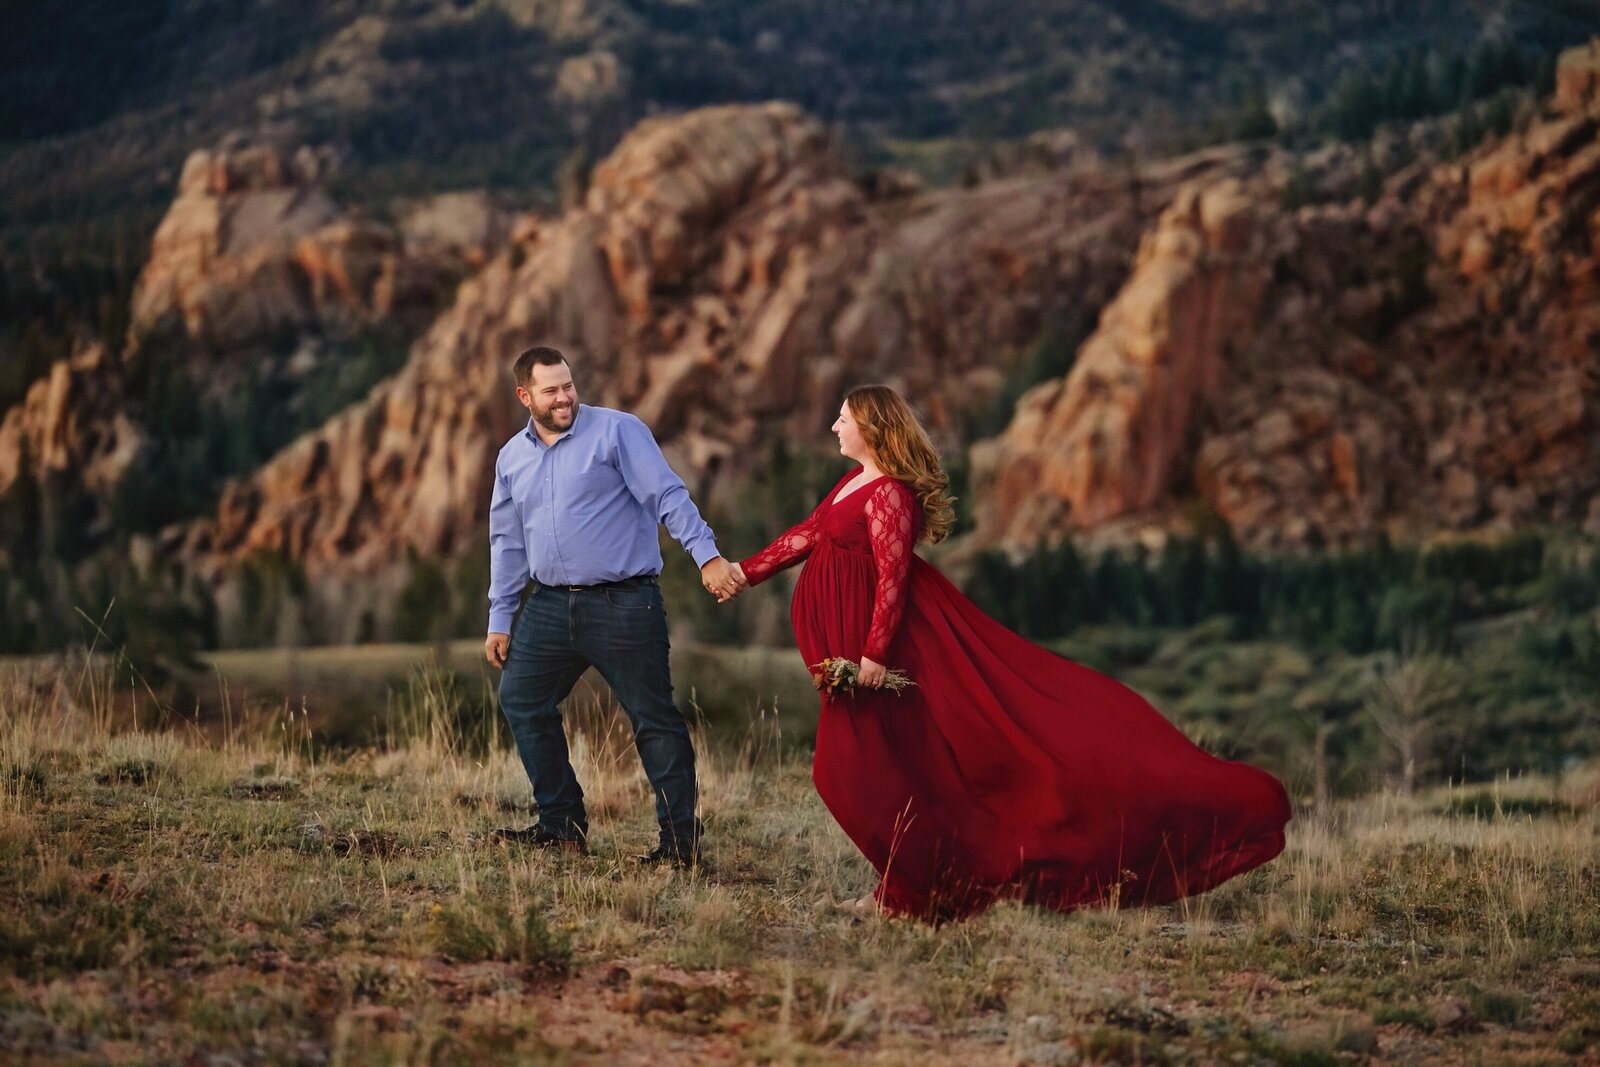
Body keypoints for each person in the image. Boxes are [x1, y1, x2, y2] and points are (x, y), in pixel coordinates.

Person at [731, 384, 1292, 921]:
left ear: (872, 428)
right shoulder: (853, 483)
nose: (834, 426)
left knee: (847, 771)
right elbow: (807, 534)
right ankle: (910, 891)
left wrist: (875, 655)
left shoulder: (890, 496)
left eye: (844, 419)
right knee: (887, 770)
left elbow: (893, 579)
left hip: (891, 655)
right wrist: (743, 573)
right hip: (849, 655)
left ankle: (916, 891)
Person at [484, 345, 745, 866]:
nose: (564, 397)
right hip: (549, 606)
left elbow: (667, 496)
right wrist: (500, 616)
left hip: (624, 604)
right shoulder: (512, 458)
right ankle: (560, 825)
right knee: (521, 699)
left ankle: (679, 848)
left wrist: (707, 556)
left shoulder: (617, 431)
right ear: (524, 395)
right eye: (551, 390)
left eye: (568, 385)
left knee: (653, 720)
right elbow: (507, 541)